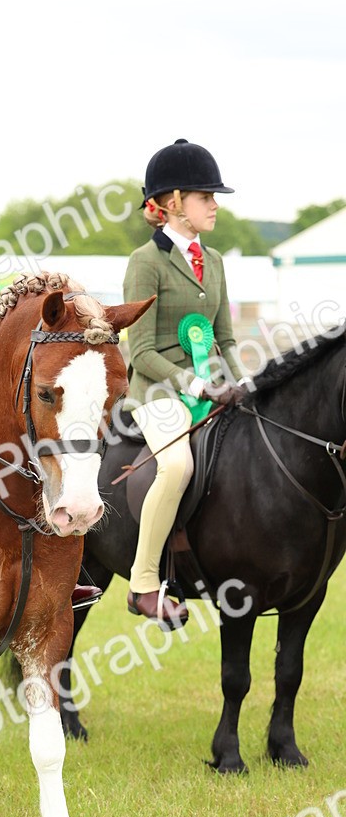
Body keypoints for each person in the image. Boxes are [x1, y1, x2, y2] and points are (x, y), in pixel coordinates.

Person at [122, 138, 246, 629]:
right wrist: (195, 386)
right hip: (157, 393)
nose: (215, 205)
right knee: (175, 466)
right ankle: (143, 583)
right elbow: (141, 352)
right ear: (174, 203)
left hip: (213, 384)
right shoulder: (145, 263)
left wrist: (244, 383)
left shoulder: (213, 261)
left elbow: (228, 338)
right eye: (205, 197)